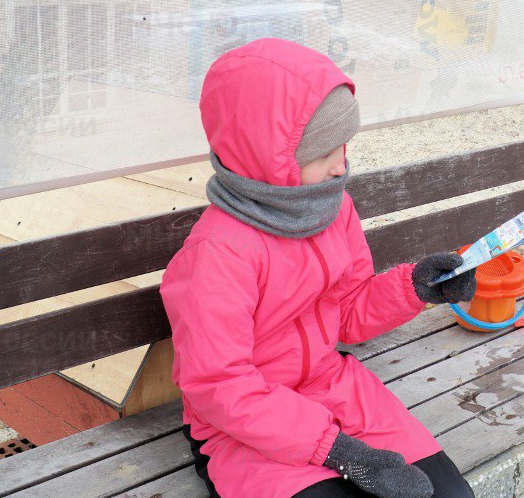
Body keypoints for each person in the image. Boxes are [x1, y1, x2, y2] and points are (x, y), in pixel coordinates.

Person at [160, 38, 476, 498]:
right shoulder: (218, 253)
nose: (339, 165)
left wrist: (415, 287)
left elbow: (346, 311)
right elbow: (219, 384)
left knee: (446, 496)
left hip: (336, 388)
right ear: (267, 153)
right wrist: (340, 452)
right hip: (244, 427)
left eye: (343, 145)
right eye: (323, 151)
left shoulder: (332, 209)